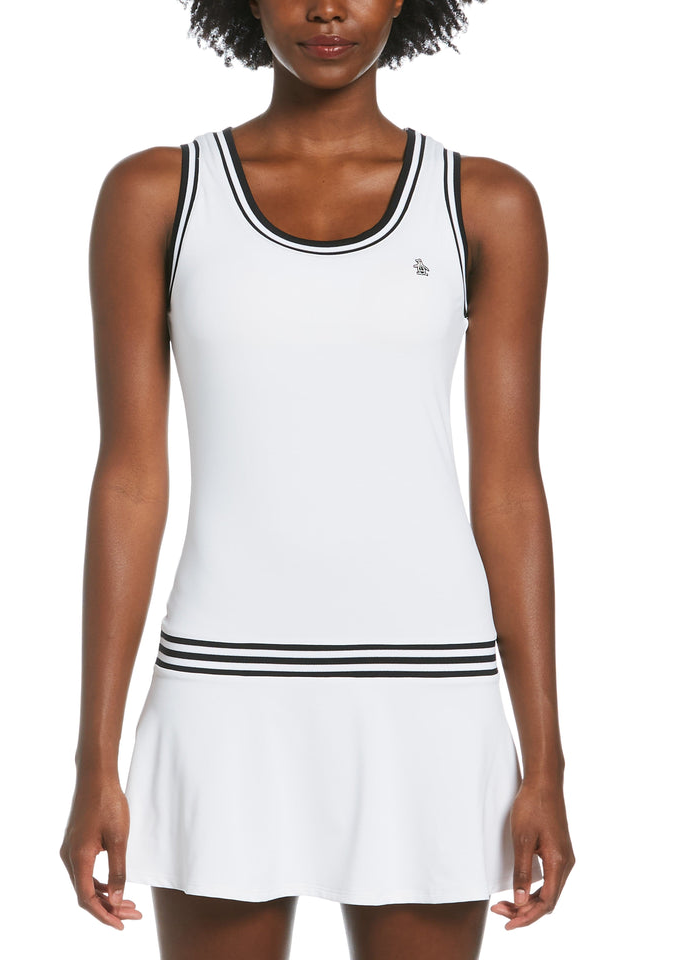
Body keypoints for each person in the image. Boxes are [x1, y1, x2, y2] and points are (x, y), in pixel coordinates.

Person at [59, 1, 575, 957]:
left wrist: (545, 761)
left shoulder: (485, 202)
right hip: (222, 689)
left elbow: (510, 491)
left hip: (430, 694)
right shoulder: (158, 193)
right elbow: (129, 479)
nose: (327, 8)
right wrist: (96, 756)